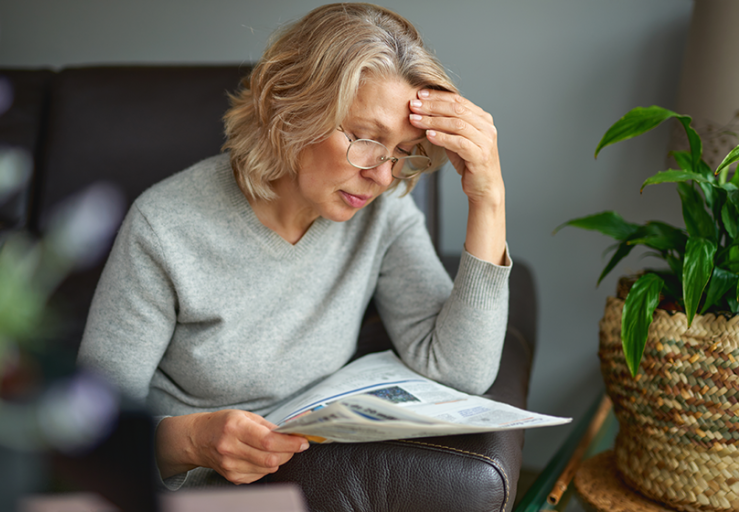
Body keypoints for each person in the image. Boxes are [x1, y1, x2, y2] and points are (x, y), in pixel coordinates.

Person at [77, 2, 510, 489]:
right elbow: (85, 431)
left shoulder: (383, 213)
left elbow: (460, 370)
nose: (382, 175)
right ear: (291, 108)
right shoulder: (164, 227)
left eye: (403, 153)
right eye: (366, 138)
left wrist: (488, 198)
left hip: (300, 478)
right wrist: (194, 440)